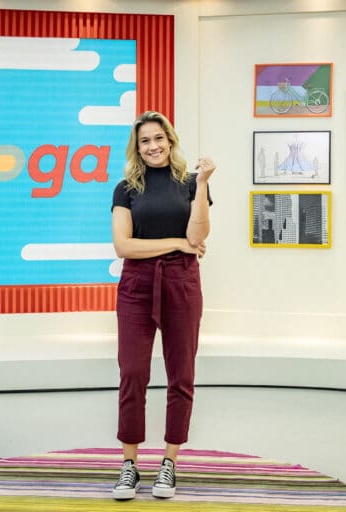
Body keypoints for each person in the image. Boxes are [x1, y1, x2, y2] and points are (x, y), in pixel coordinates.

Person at [110, 111, 215, 500]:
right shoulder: (126, 189)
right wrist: (175, 243)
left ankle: (169, 462)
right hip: (136, 285)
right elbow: (123, 246)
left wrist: (202, 184)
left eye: (158, 138)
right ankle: (129, 465)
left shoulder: (190, 183)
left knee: (181, 375)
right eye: (145, 141)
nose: (153, 146)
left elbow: (198, 236)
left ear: (170, 140)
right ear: (136, 148)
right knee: (133, 373)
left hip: (182, 282)